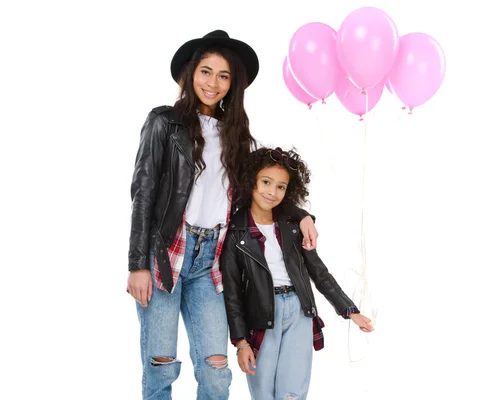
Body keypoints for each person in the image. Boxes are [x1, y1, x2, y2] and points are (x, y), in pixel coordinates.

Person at [126, 30, 319, 400]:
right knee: (160, 364)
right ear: (190, 74)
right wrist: (138, 264)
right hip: (166, 253)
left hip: (211, 261)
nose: (213, 83)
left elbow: (260, 194)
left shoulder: (239, 137)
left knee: (216, 372)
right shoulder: (164, 123)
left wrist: (301, 214)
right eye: (205, 71)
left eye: (223, 75)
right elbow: (143, 193)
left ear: (233, 84)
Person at [221, 146, 375, 400]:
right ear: (251, 181)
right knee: (263, 393)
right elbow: (233, 293)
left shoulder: (293, 227)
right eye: (266, 182)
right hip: (261, 317)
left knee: (292, 393)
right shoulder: (235, 232)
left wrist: (350, 310)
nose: (272, 191)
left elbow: (319, 272)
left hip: (299, 311)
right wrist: (241, 342)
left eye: (281, 186)